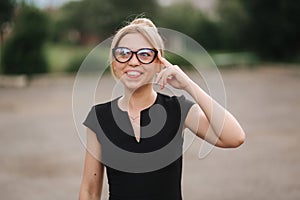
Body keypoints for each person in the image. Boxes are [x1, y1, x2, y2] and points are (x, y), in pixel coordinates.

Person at [79, 17, 245, 200]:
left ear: (159, 63)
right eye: (124, 53)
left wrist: (188, 84)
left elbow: (234, 137)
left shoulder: (179, 109)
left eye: (144, 54)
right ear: (114, 62)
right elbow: (89, 191)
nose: (133, 62)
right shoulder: (99, 117)